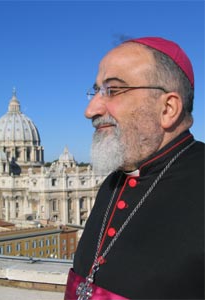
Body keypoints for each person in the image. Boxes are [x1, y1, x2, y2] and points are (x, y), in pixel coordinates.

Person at [64, 37, 204, 299]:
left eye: (113, 90)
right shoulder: (113, 181)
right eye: (95, 91)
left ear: (168, 108)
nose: (90, 109)